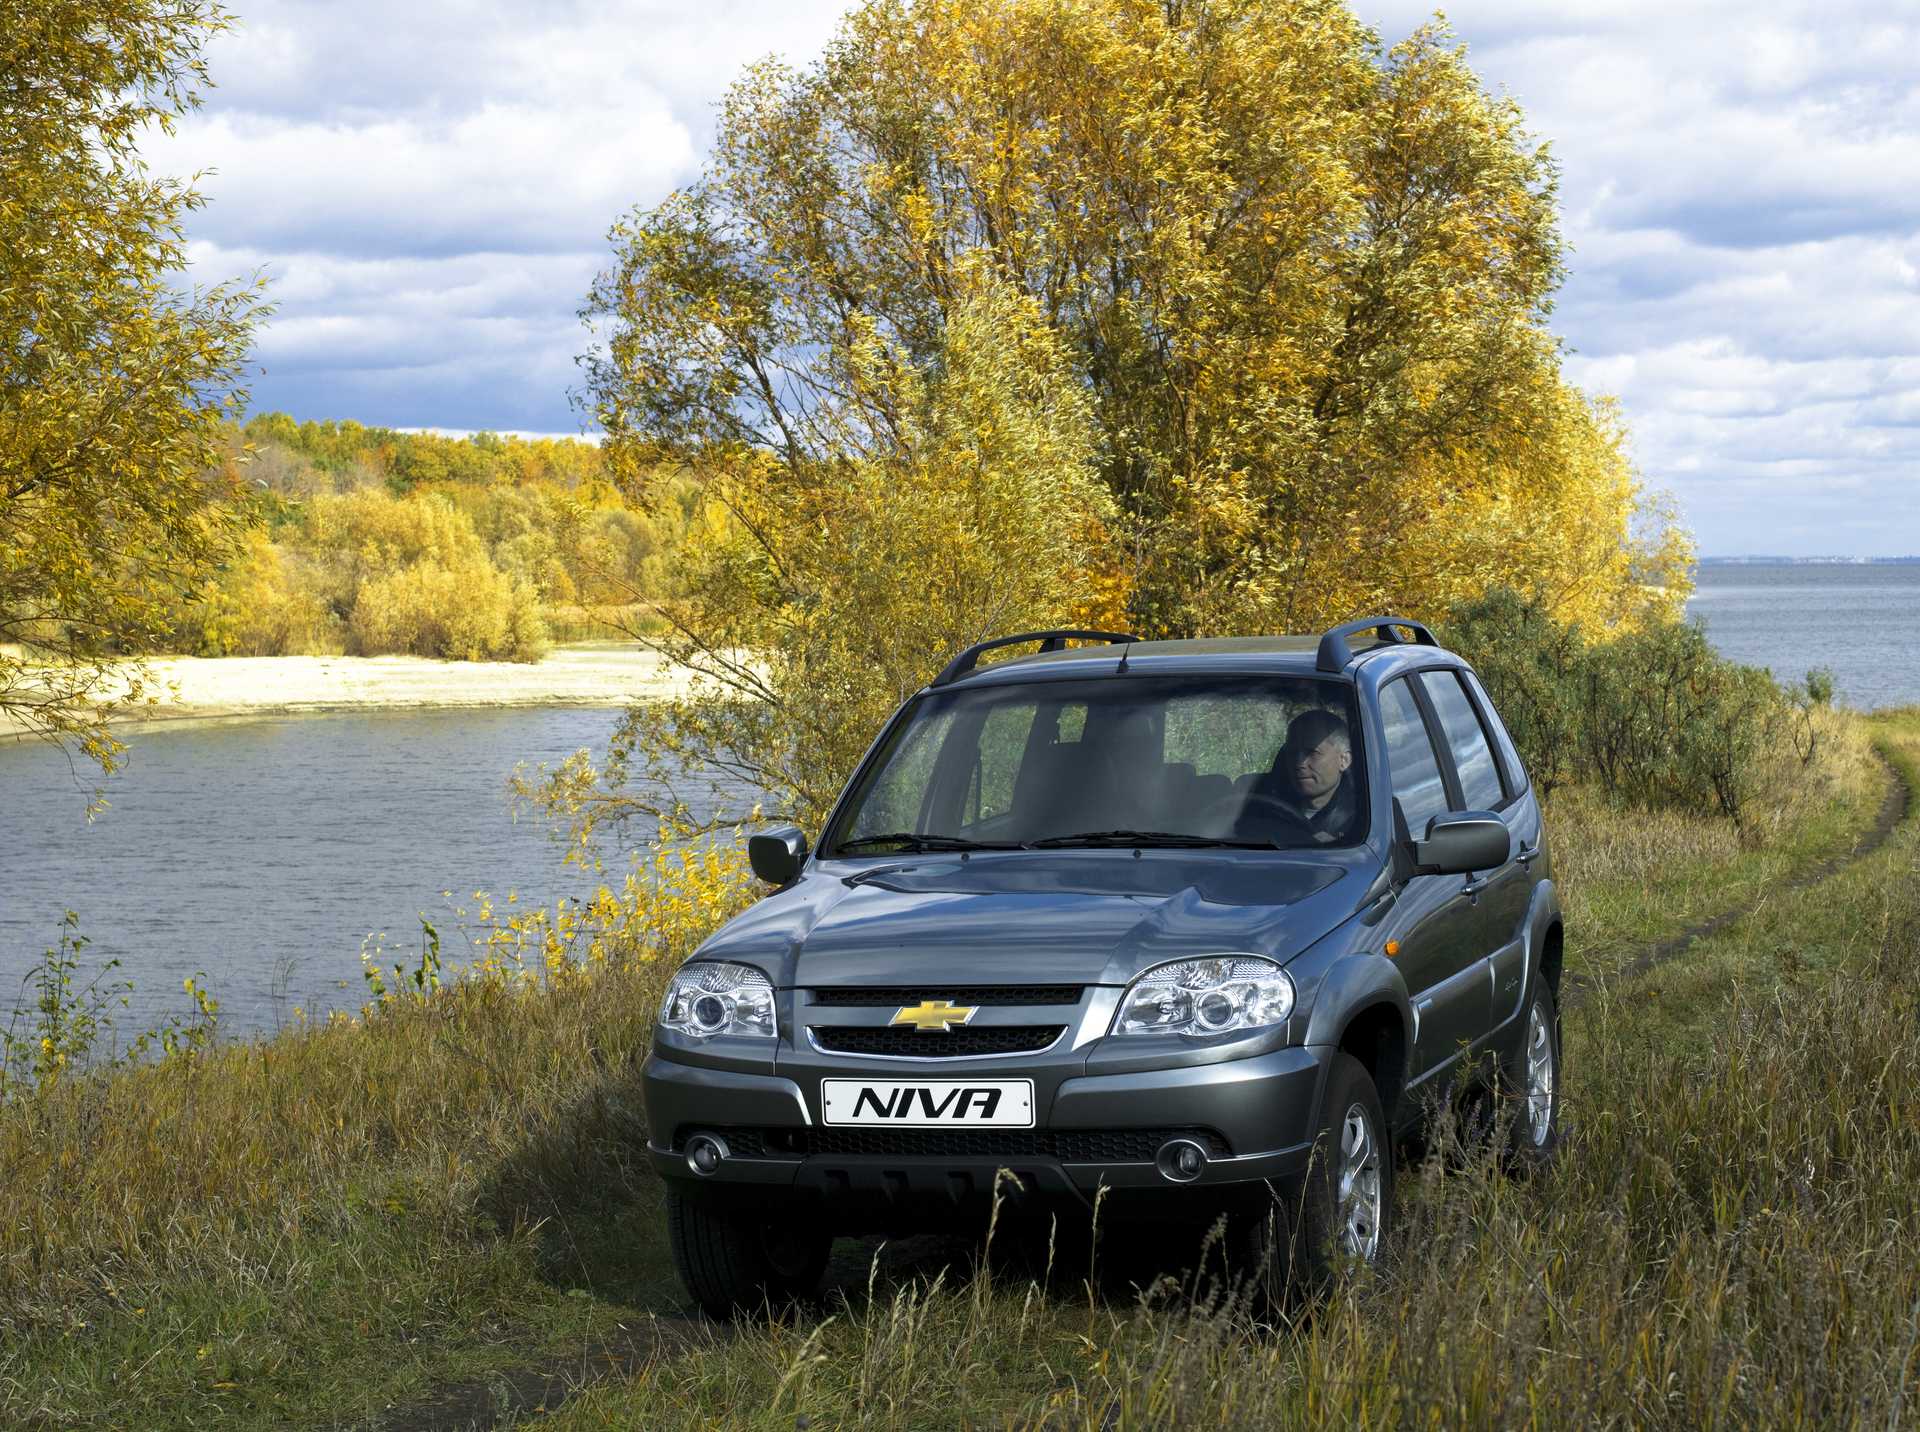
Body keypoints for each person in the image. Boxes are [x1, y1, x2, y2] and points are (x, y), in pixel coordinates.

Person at [1253, 709, 1357, 844]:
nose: (1299, 763)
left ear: (1344, 760)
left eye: (1312, 752)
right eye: (1292, 752)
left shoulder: (1362, 822)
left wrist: (1339, 848)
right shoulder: (1261, 807)